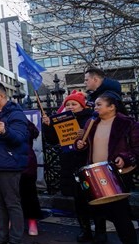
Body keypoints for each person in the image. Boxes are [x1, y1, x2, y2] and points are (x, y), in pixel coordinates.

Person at [75, 91, 139, 244]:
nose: (94, 107)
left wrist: (124, 158)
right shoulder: (91, 122)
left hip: (116, 174)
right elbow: (83, 144)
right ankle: (100, 238)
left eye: (99, 105)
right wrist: (79, 145)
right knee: (97, 210)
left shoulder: (128, 123)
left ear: (111, 107)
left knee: (120, 213)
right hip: (95, 172)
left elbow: (136, 148)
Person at [42, 90, 95, 242]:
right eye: (68, 104)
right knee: (78, 200)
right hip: (70, 163)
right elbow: (52, 140)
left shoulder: (90, 118)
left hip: (87, 162)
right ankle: (85, 230)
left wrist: (84, 134)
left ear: (82, 105)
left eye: (74, 104)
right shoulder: (61, 119)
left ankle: (99, 230)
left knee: (93, 199)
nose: (70, 107)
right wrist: (48, 126)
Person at [0, 83, 29, 244]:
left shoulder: (16, 114)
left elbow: (20, 138)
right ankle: (0, 238)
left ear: (1, 96)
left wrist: (5, 132)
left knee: (12, 204)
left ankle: (15, 239)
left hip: (9, 166)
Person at [19, 120, 42, 236]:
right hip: (9, 163)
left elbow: (33, 133)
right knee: (11, 195)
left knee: (29, 194)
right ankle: (13, 220)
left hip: (26, 163)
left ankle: (32, 220)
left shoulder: (24, 124)